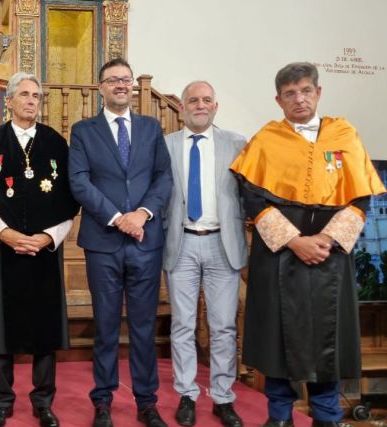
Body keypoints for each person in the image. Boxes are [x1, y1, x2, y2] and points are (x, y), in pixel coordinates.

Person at [230, 62, 386, 427]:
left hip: (330, 256)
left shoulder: (345, 136)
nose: (298, 99)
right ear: (278, 100)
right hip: (279, 256)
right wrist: (295, 241)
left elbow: (360, 197)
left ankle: (328, 417)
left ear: (318, 93)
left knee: (328, 337)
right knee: (276, 338)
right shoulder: (266, 140)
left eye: (304, 91)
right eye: (289, 94)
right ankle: (279, 417)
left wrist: (327, 240)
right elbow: (252, 198)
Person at [0, 72, 79, 427]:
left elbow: (71, 200)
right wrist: (5, 234)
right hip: (2, 251)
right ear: (9, 101)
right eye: (25, 95)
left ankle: (43, 401)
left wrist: (48, 237)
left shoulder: (57, 144)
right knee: (1, 328)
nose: (31, 101)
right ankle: (3, 401)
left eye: (36, 96)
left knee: (45, 329)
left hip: (45, 251)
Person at [68, 58, 172, 427]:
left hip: (146, 241)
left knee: (144, 327)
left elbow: (163, 178)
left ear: (133, 86)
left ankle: (147, 402)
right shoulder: (83, 131)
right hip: (104, 241)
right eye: (113, 80)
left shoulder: (150, 127)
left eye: (126, 80)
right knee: (106, 325)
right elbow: (79, 183)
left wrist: (141, 215)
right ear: (101, 88)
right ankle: (103, 401)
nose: (121, 85)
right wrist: (117, 219)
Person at [163, 81, 245, 427]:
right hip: (180, 242)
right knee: (182, 324)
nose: (200, 105)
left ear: (216, 106)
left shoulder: (238, 144)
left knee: (223, 326)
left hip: (221, 243)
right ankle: (187, 394)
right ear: (182, 108)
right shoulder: (165, 146)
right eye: (193, 100)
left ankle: (223, 397)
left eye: (206, 100)